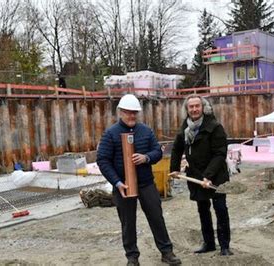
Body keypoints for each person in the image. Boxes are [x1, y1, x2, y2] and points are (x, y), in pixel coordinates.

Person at [97, 94, 181, 266]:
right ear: (120, 112)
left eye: (134, 112)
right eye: (128, 112)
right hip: (123, 185)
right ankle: (132, 258)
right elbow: (103, 160)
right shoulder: (111, 134)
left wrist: (146, 158)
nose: (131, 116)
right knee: (128, 222)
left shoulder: (145, 131)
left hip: (146, 183)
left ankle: (166, 252)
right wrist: (117, 182)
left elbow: (158, 152)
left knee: (156, 217)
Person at [169, 94, 233, 256]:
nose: (194, 109)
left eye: (197, 106)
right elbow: (177, 148)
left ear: (203, 107)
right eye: (191, 107)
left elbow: (220, 153)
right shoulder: (186, 127)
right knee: (203, 210)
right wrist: (175, 168)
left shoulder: (214, 126)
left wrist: (209, 175)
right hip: (196, 176)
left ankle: (225, 246)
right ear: (187, 109)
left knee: (220, 209)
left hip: (216, 176)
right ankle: (209, 243)